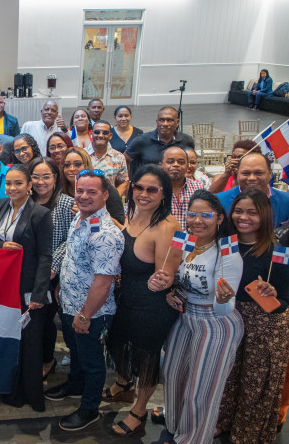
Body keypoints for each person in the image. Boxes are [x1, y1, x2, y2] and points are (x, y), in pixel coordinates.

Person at [104, 165, 182, 437]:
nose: (143, 194)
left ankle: (139, 410)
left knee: (146, 359)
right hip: (125, 298)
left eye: (152, 189)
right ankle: (124, 385)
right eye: (138, 187)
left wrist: (163, 281)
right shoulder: (133, 213)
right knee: (117, 343)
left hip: (152, 305)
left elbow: (166, 275)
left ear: (164, 194)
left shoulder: (167, 226)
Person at [44, 169, 124, 431]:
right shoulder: (79, 217)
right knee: (75, 350)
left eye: (92, 192)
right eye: (80, 190)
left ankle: (89, 408)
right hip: (70, 301)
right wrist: (63, 286)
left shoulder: (106, 234)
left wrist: (85, 315)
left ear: (105, 195)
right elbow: (73, 257)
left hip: (91, 312)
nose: (84, 196)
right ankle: (75, 385)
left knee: (91, 361)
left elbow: (103, 282)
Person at [163, 190, 243, 444]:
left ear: (219, 218)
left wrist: (222, 300)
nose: (197, 220)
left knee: (201, 389)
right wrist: (170, 291)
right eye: (192, 214)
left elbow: (225, 308)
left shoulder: (226, 251)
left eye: (206, 215)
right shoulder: (185, 242)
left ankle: (194, 439)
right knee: (172, 374)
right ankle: (176, 427)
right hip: (186, 319)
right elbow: (178, 280)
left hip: (216, 324)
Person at [216, 190, 289, 442]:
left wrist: (274, 294)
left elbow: (286, 298)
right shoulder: (225, 245)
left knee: (256, 381)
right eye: (238, 211)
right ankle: (223, 421)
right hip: (230, 317)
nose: (243, 217)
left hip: (267, 324)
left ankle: (248, 433)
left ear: (265, 215)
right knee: (228, 374)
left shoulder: (278, 250)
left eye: (252, 212)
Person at [0, 165, 52, 412]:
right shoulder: (0, 206)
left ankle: (31, 395)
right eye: (8, 183)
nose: (12, 188)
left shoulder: (40, 214)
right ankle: (10, 389)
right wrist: (1, 245)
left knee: (30, 342)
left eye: (18, 183)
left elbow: (45, 256)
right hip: (4, 285)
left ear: (29, 185)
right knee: (10, 339)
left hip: (29, 287)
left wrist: (38, 294)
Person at [29, 157, 75, 380]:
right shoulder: (26, 201)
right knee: (31, 319)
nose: (40, 182)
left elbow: (71, 239)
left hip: (53, 274)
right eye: (35, 177)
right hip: (29, 270)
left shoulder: (67, 203)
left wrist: (51, 267)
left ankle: (47, 360)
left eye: (46, 176)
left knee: (45, 320)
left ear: (55, 178)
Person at [217, 152, 289, 228]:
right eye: (246, 173)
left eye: (258, 173)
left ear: (270, 173)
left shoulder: (286, 201)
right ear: (237, 173)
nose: (252, 178)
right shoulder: (219, 202)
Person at [60, 147, 125, 225]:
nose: (72, 168)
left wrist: (91, 215)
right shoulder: (60, 191)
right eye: (67, 165)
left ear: (86, 165)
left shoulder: (106, 189)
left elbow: (121, 226)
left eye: (77, 164)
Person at [125, 106, 194, 171]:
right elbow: (124, 160)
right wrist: (129, 178)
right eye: (161, 120)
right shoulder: (141, 140)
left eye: (169, 120)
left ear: (177, 122)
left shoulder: (186, 141)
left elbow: (191, 162)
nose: (165, 124)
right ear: (157, 122)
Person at [161, 146, 204, 230]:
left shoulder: (198, 188)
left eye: (181, 162)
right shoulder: (153, 189)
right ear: (161, 165)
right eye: (170, 161)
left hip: (192, 237)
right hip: (162, 237)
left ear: (187, 166)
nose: (176, 165)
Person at [89, 120, 128, 196]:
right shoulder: (82, 155)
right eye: (97, 132)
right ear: (91, 134)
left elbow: (124, 182)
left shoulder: (119, 157)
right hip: (86, 200)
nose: (101, 135)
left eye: (105, 133)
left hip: (110, 201)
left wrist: (113, 198)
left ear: (110, 136)